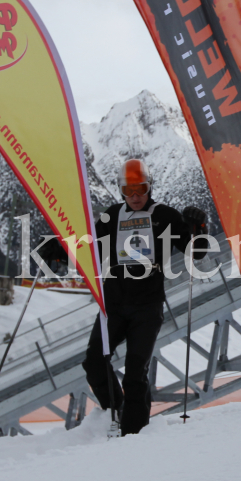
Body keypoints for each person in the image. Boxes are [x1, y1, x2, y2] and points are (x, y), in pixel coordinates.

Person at [39, 158, 208, 435]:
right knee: (94, 362)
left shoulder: (164, 215)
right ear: (120, 190)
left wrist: (199, 226)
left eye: (140, 189)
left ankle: (133, 433)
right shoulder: (112, 216)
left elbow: (196, 252)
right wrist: (58, 249)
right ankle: (115, 412)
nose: (135, 196)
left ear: (149, 186)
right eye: (128, 190)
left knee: (134, 374)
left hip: (147, 306)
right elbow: (86, 243)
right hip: (114, 305)